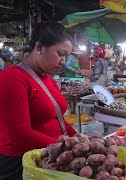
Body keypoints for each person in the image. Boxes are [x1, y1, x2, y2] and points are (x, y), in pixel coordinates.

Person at [0, 22, 77, 179]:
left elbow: (57, 119)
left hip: (49, 157)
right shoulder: (12, 78)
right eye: (60, 54)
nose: (63, 61)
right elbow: (19, 133)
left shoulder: (46, 78)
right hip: (21, 163)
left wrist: (80, 140)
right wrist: (65, 150)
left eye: (66, 56)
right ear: (40, 47)